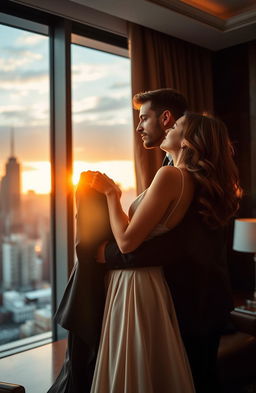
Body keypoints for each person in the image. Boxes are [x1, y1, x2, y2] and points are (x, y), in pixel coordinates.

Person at [86, 112, 242, 393]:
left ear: (188, 142)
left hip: (155, 288)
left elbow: (127, 242)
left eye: (176, 126)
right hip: (177, 290)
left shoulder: (171, 176)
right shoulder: (193, 181)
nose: (168, 127)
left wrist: (111, 194)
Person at [47, 88, 189, 393]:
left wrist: (111, 196)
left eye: (143, 118)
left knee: (131, 370)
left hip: (139, 283)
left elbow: (138, 243)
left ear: (167, 120)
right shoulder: (172, 171)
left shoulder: (174, 175)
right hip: (141, 280)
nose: (137, 127)